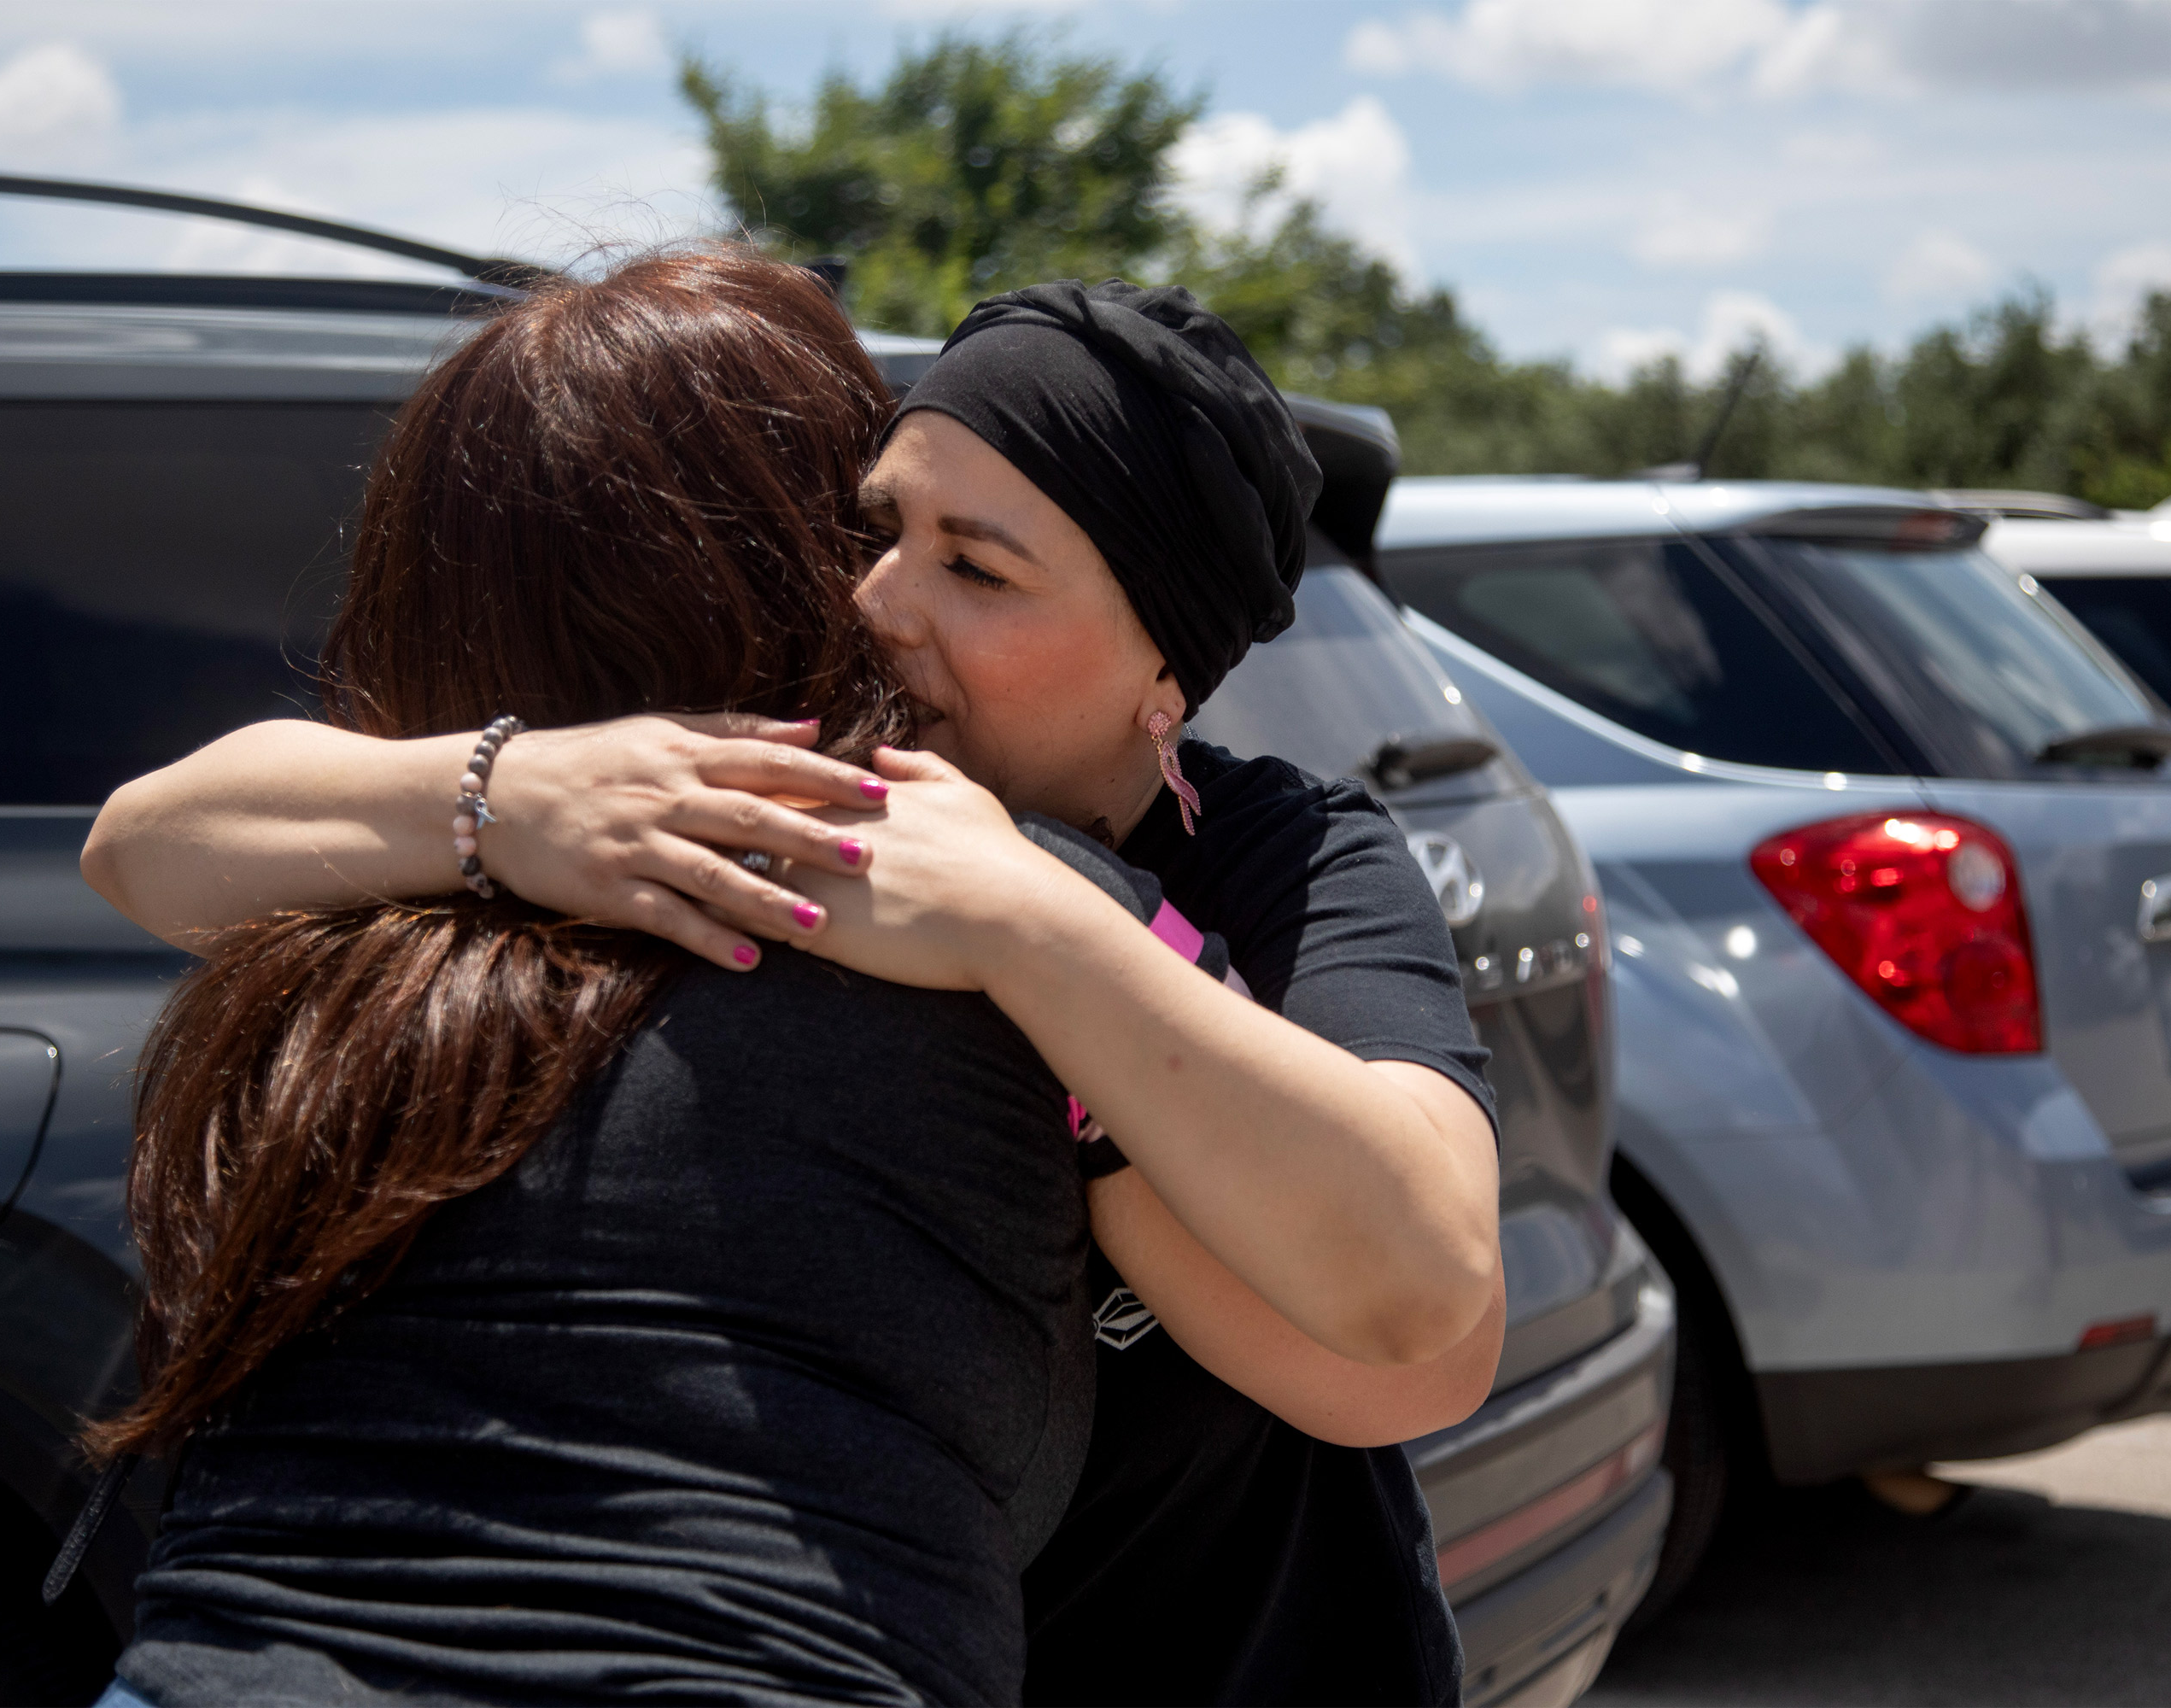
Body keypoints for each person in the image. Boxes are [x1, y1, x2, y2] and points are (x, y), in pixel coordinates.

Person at [85, 280, 1507, 1705]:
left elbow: (1418, 1355)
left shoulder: (1278, 858)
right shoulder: (760, 790)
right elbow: (147, 844)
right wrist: (506, 793)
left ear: (1163, 671)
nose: (877, 601)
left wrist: (1031, 930)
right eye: (876, 528)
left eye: (980, 569)